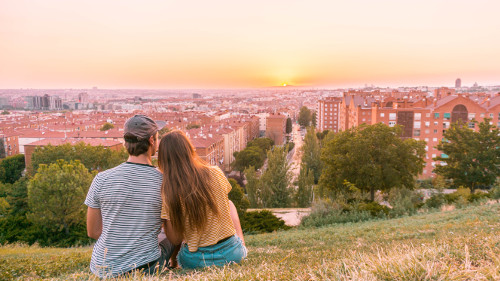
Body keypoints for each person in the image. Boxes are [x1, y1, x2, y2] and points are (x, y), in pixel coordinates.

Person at [85, 115, 174, 278]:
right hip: (144, 267)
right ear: (152, 141)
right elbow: (173, 233)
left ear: (126, 142)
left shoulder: (101, 179)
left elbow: (93, 231)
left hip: (103, 268)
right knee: (174, 237)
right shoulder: (164, 182)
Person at [157, 130, 247, 269]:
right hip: (232, 255)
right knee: (229, 204)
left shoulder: (169, 190)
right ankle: (241, 244)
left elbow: (175, 238)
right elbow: (223, 204)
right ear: (189, 150)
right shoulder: (215, 172)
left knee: (175, 218)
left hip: (195, 261)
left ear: (163, 159)